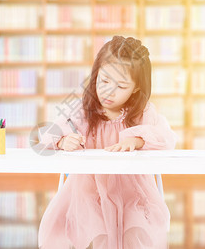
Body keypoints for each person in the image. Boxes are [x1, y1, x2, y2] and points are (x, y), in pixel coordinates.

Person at [37, 36, 177, 249]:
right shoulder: (83, 110)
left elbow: (166, 137)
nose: (109, 91)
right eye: (103, 81)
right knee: (94, 231)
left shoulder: (142, 112)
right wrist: (63, 140)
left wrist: (138, 140)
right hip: (89, 189)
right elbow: (45, 135)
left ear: (136, 88)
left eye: (121, 85)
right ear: (95, 75)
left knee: (136, 231)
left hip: (131, 189)